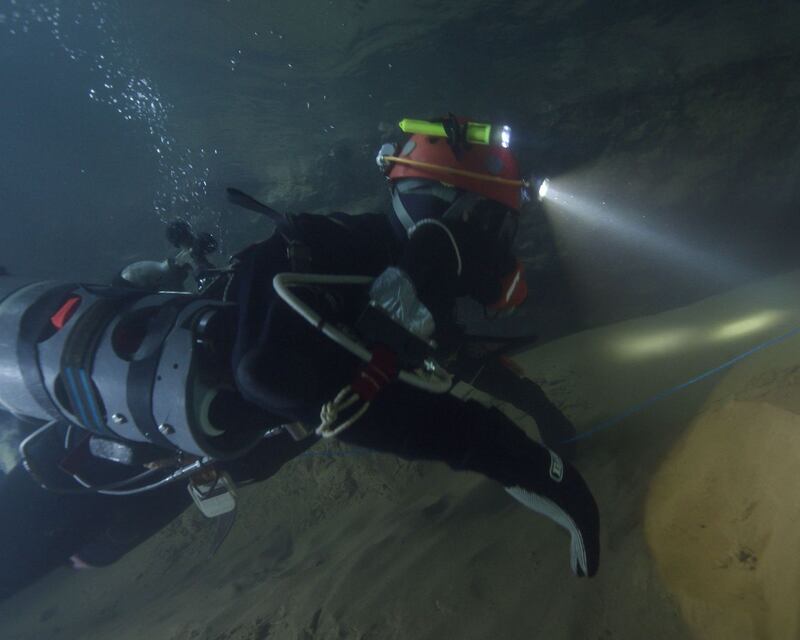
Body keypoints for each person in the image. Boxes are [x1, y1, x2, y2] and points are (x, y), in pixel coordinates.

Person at [229, 115, 599, 576]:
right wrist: (538, 471)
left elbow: (453, 356)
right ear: (465, 217)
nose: (497, 251)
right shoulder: (375, 270)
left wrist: (541, 412)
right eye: (496, 230)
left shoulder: (369, 268)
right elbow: (267, 373)